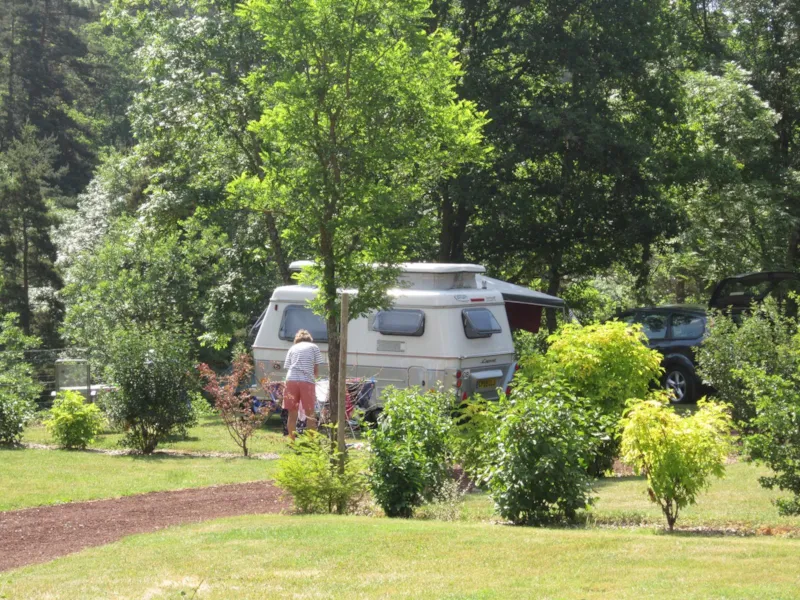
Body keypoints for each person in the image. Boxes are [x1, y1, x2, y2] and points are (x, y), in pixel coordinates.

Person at [283, 329, 324, 440]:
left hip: (291, 380)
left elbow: (288, 366)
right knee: (310, 413)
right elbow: (316, 370)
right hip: (306, 381)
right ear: (309, 339)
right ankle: (312, 443)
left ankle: (292, 441)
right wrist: (314, 380)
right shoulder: (314, 347)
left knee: (292, 414)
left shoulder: (292, 348)